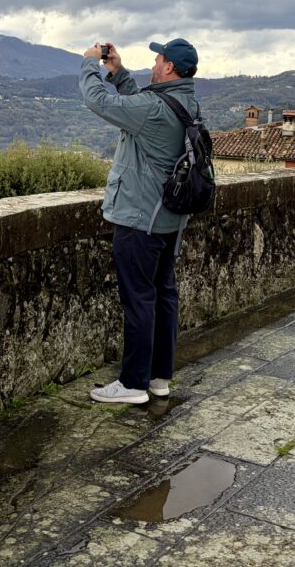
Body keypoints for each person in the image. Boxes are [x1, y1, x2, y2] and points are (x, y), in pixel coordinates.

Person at [78, 37, 201, 405]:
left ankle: (132, 383)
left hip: (139, 219)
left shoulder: (155, 108)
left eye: (158, 59)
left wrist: (90, 65)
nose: (154, 63)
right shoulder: (187, 102)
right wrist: (117, 72)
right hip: (168, 221)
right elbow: (144, 108)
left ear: (169, 68)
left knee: (139, 300)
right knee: (163, 295)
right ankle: (159, 378)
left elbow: (99, 102)